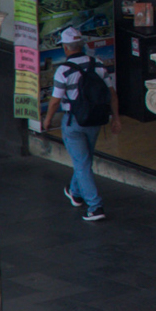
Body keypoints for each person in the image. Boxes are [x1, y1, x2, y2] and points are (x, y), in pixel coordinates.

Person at [41, 27, 111, 222]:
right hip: (95, 121)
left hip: (74, 123)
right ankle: (75, 192)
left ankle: (95, 207)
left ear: (65, 48)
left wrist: (47, 119)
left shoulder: (63, 70)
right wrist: (117, 119)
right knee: (84, 160)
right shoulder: (98, 64)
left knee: (82, 163)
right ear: (82, 45)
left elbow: (55, 101)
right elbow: (111, 93)